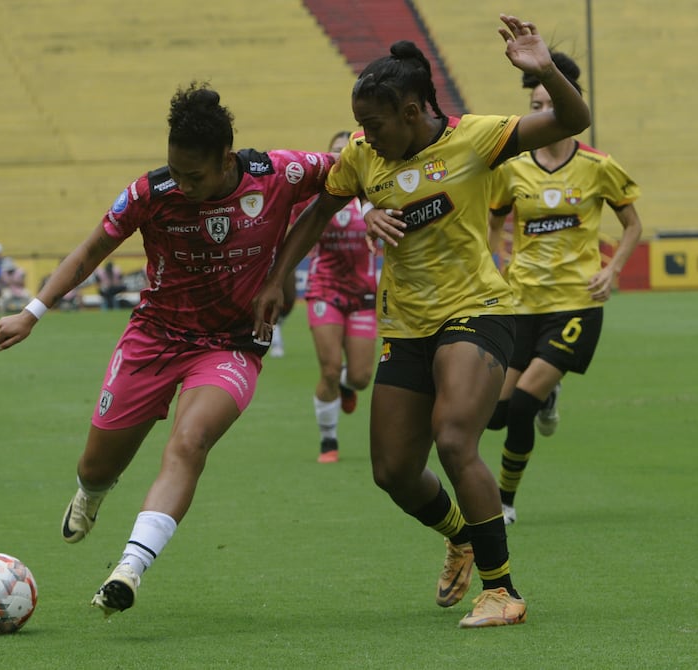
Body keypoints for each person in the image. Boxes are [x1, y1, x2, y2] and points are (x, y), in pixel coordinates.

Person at [252, 15, 590, 628]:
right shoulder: (360, 157)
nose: (363, 135)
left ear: (411, 111)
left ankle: (501, 591)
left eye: (373, 123)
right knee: (393, 471)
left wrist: (543, 70)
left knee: (456, 438)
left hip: (477, 311)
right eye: (359, 124)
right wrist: (277, 278)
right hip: (405, 324)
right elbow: (319, 210)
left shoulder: (477, 138)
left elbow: (572, 121)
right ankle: (460, 536)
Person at [0, 82, 336, 617]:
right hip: (155, 337)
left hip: (231, 344)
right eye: (175, 169)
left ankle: (129, 567)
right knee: (97, 465)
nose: (184, 184)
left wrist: (369, 208)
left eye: (195, 175)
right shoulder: (152, 193)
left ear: (226, 158)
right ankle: (91, 493)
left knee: (189, 441)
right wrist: (32, 312)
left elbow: (353, 167)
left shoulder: (281, 173)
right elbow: (91, 250)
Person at [486, 51, 642, 525]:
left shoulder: (599, 166)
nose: (543, 113)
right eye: (535, 106)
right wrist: (498, 262)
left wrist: (611, 271)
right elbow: (494, 222)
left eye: (550, 104)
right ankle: (549, 394)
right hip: (521, 301)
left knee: (522, 409)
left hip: (575, 303)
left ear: (568, 107)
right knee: (495, 414)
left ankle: (505, 500)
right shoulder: (513, 168)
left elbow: (632, 224)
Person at [303, 130, 378, 463]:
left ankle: (348, 386)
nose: (340, 157)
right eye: (334, 152)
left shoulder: (376, 191)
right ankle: (327, 441)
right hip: (325, 289)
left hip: (363, 293)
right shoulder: (319, 197)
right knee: (330, 369)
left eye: (345, 151)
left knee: (361, 378)